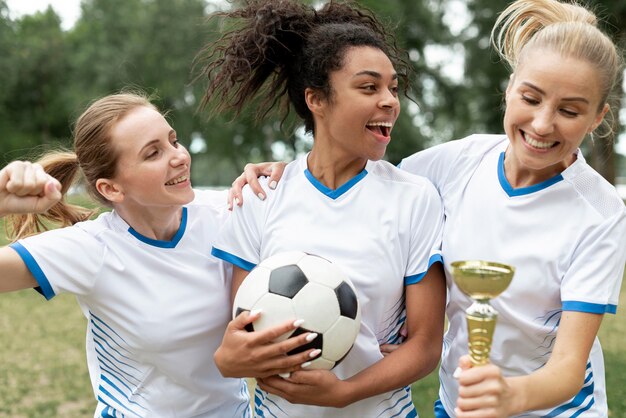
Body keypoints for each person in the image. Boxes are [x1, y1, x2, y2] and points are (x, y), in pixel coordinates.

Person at [230, 0, 626, 416]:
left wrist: (508, 398)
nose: (543, 124)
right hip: (456, 408)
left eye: (569, 111)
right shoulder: (456, 164)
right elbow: (363, 177)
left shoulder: (599, 213)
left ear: (598, 117)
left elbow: (567, 368)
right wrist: (288, 174)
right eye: (531, 98)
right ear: (510, 89)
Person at [195, 0, 447, 417]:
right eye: (369, 87)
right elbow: (241, 335)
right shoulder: (261, 196)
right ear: (316, 99)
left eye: (393, 88)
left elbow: (425, 347)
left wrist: (346, 392)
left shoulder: (414, 198)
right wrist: (230, 359)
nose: (389, 101)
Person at [0, 91, 320, 418]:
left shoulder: (226, 214)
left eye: (174, 140)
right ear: (111, 189)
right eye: (153, 153)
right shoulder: (92, 249)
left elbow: (319, 210)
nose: (179, 156)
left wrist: (288, 178)